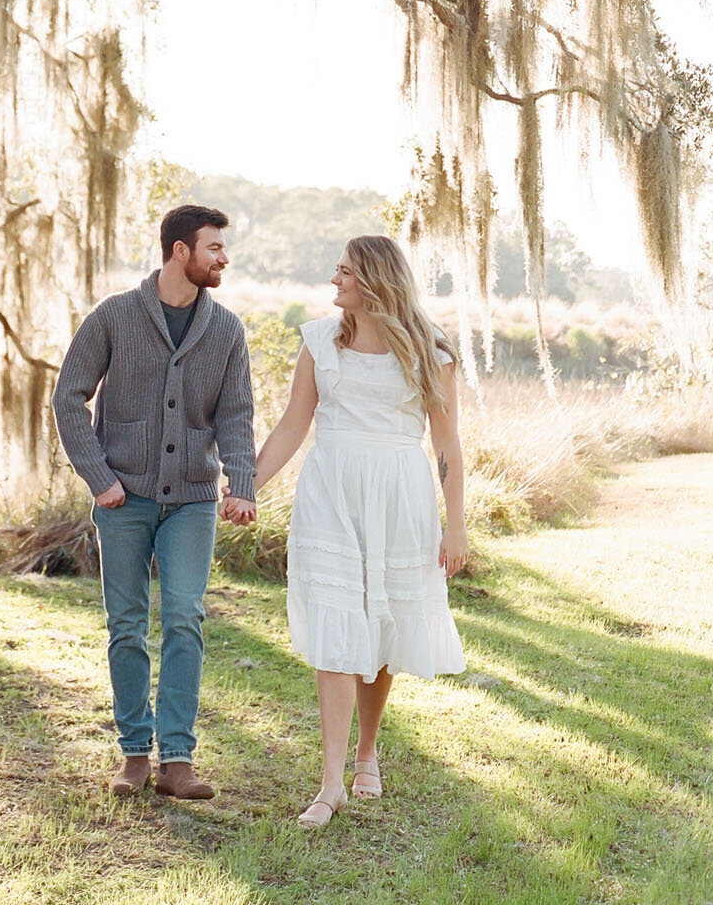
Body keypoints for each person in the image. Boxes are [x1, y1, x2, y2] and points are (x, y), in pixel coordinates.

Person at [254, 234, 467, 829]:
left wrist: (457, 525)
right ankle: (330, 784)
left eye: (344, 272)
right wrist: (247, 485)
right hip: (331, 491)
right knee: (336, 622)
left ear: (374, 279)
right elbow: (294, 425)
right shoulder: (319, 340)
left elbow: (446, 442)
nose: (334, 280)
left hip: (400, 491)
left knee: (385, 619)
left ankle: (367, 753)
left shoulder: (431, 348)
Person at [52, 204, 257, 799]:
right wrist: (99, 477)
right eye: (213, 247)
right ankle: (135, 753)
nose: (223, 258)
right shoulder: (114, 316)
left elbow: (236, 414)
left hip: (192, 500)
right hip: (123, 501)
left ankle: (178, 760)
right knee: (127, 625)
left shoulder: (227, 330)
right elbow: (69, 399)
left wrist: (240, 483)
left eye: (222, 247)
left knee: (186, 618)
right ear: (179, 252)